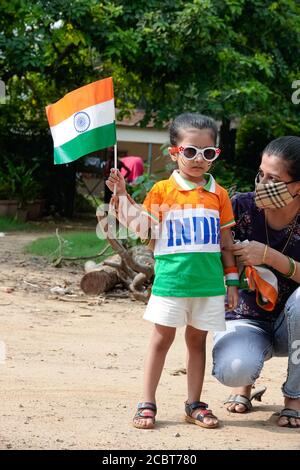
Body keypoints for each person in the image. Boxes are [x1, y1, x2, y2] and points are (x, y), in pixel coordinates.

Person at [106, 113, 239, 429]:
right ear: (174, 152)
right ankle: (146, 402)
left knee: (197, 343)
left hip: (208, 286)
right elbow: (143, 228)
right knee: (160, 340)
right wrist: (122, 197)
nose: (198, 159)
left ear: (215, 155)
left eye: (208, 153)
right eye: (190, 151)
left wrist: (232, 282)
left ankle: (194, 404)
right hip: (171, 284)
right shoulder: (163, 191)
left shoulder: (219, 194)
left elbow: (226, 243)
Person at [212, 136, 300, 428]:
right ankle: (243, 387)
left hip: (293, 325)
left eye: (273, 178)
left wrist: (269, 257)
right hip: (245, 316)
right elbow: (214, 259)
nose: (262, 183)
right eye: (261, 173)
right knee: (233, 370)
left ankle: (294, 399)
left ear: (297, 186)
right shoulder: (240, 207)